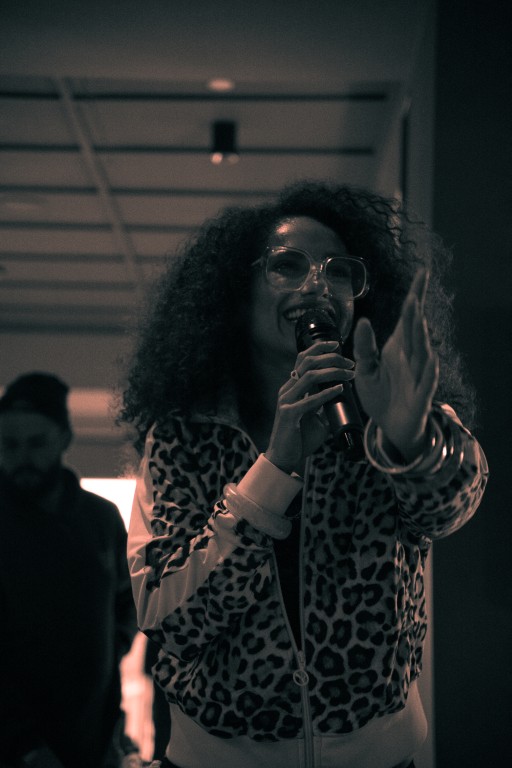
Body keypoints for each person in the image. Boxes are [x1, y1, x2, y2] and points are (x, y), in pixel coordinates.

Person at [121, 181, 489, 768]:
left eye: (338, 271)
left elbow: (451, 508)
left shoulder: (389, 407)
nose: (317, 284)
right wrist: (275, 469)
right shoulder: (184, 436)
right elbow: (169, 619)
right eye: (287, 266)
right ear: (236, 293)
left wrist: (410, 438)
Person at [0, 372, 140, 768]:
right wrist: (26, 747)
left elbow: (128, 601)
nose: (22, 457)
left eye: (36, 443)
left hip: (93, 739)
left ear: (64, 438)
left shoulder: (101, 518)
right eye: (9, 444)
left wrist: (110, 650)